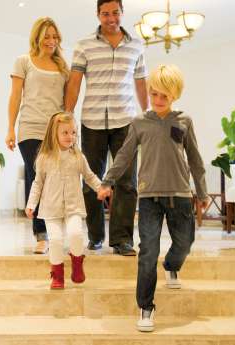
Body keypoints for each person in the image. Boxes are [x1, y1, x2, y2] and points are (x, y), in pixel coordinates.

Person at [97, 65, 209, 332]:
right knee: (148, 252)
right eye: (155, 94)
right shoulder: (139, 123)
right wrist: (107, 181)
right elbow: (123, 155)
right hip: (149, 198)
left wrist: (202, 192)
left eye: (164, 96)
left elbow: (195, 158)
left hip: (180, 195)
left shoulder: (184, 121)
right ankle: (145, 308)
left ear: (175, 96)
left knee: (184, 243)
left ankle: (172, 266)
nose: (158, 100)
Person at [65, 0, 148, 256]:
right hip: (92, 121)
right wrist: (67, 116)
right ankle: (96, 236)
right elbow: (75, 84)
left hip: (126, 121)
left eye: (115, 13)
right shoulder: (84, 45)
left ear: (122, 13)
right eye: (105, 14)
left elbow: (141, 83)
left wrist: (148, 116)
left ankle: (122, 240)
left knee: (127, 182)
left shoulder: (136, 45)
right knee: (92, 181)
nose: (110, 18)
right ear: (98, 14)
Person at [7, 17, 69, 254]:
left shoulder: (63, 67)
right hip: (30, 129)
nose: (51, 41)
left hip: (55, 132)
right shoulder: (24, 61)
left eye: (55, 37)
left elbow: (66, 102)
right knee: (37, 178)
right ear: (37, 37)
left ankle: (56, 231)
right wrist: (10, 128)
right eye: (47, 36)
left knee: (56, 181)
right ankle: (41, 235)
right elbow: (15, 97)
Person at [25, 112, 103, 289]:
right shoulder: (44, 158)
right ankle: (57, 274)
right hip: (51, 209)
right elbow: (37, 184)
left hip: (73, 206)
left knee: (76, 234)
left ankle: (77, 263)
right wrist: (31, 204)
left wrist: (101, 187)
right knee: (56, 240)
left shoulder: (78, 157)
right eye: (65, 133)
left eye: (73, 132)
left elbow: (90, 177)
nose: (70, 137)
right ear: (55, 134)